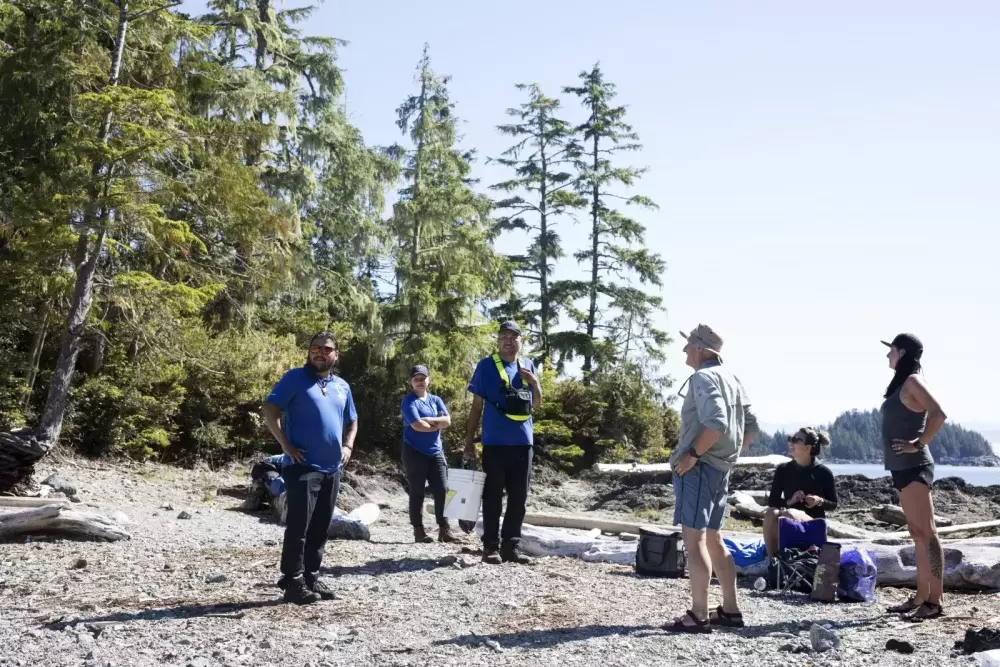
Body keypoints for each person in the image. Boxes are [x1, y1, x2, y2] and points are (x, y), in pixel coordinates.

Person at [664, 324, 758, 634]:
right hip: (720, 468)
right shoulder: (732, 378)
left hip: (700, 467)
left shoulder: (703, 377)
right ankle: (730, 611)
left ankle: (699, 615)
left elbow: (716, 423)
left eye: (689, 345)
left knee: (694, 541)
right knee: (715, 538)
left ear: (704, 350)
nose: (684, 350)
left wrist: (692, 454)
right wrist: (727, 455)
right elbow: (752, 426)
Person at [262, 332, 358, 605]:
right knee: (299, 526)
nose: (320, 352)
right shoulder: (295, 378)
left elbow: (352, 419)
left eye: (326, 349)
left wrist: (348, 446)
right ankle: (292, 582)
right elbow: (270, 408)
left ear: (335, 355)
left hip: (332, 468)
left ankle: (311, 577)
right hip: (302, 465)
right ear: (309, 353)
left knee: (320, 526)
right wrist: (285, 445)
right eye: (315, 348)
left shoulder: (342, 386)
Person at [881, 333, 947, 620]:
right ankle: (921, 596)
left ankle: (935, 601)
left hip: (915, 466)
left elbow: (939, 414)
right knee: (918, 534)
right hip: (901, 468)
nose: (887, 356)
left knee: (928, 533)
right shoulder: (903, 383)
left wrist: (918, 443)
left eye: (891, 351)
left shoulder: (913, 381)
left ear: (903, 352)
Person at [464, 321, 541, 565]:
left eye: (513, 337)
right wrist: (469, 442)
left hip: (523, 444)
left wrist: (535, 383)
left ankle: (511, 547)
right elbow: (477, 406)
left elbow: (536, 404)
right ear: (498, 342)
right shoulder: (486, 366)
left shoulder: (527, 365)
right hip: (495, 443)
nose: (508, 341)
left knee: (519, 498)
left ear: (521, 341)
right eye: (503, 337)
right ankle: (490, 547)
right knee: (493, 497)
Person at [401, 364, 459, 544]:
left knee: (442, 490)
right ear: (411, 382)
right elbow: (418, 426)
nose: (419, 382)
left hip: (436, 452)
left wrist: (430, 420)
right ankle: (419, 531)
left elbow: (447, 421)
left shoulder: (435, 400)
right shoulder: (408, 401)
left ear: (428, 380)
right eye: (416, 379)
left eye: (422, 378)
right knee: (417, 492)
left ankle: (444, 529)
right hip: (414, 452)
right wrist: (435, 423)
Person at [763, 427, 838, 557]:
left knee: (789, 513)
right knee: (771, 513)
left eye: (796, 440)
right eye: (791, 439)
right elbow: (773, 501)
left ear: (807, 448)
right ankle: (772, 562)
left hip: (814, 524)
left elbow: (833, 504)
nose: (791, 443)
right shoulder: (783, 469)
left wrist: (819, 501)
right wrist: (790, 501)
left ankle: (787, 559)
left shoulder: (823, 472)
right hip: (788, 517)